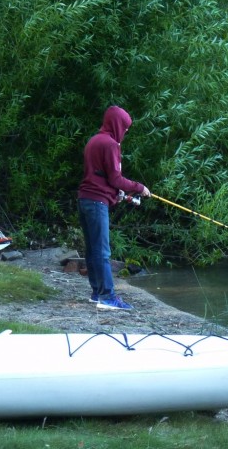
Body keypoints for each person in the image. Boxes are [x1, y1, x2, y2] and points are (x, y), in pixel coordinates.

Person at [77, 105, 150, 311]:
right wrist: (140, 188)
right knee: (102, 251)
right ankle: (107, 297)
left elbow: (99, 176)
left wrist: (115, 194)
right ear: (118, 125)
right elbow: (115, 178)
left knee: (92, 250)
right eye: (125, 127)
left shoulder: (94, 140)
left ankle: (96, 293)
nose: (125, 132)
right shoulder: (110, 145)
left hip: (85, 199)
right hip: (96, 202)